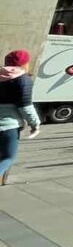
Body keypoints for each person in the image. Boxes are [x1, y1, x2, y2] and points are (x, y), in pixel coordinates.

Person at [0, 50, 41, 187]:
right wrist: (35, 124)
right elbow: (25, 107)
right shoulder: (23, 80)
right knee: (8, 157)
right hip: (8, 127)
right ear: (25, 64)